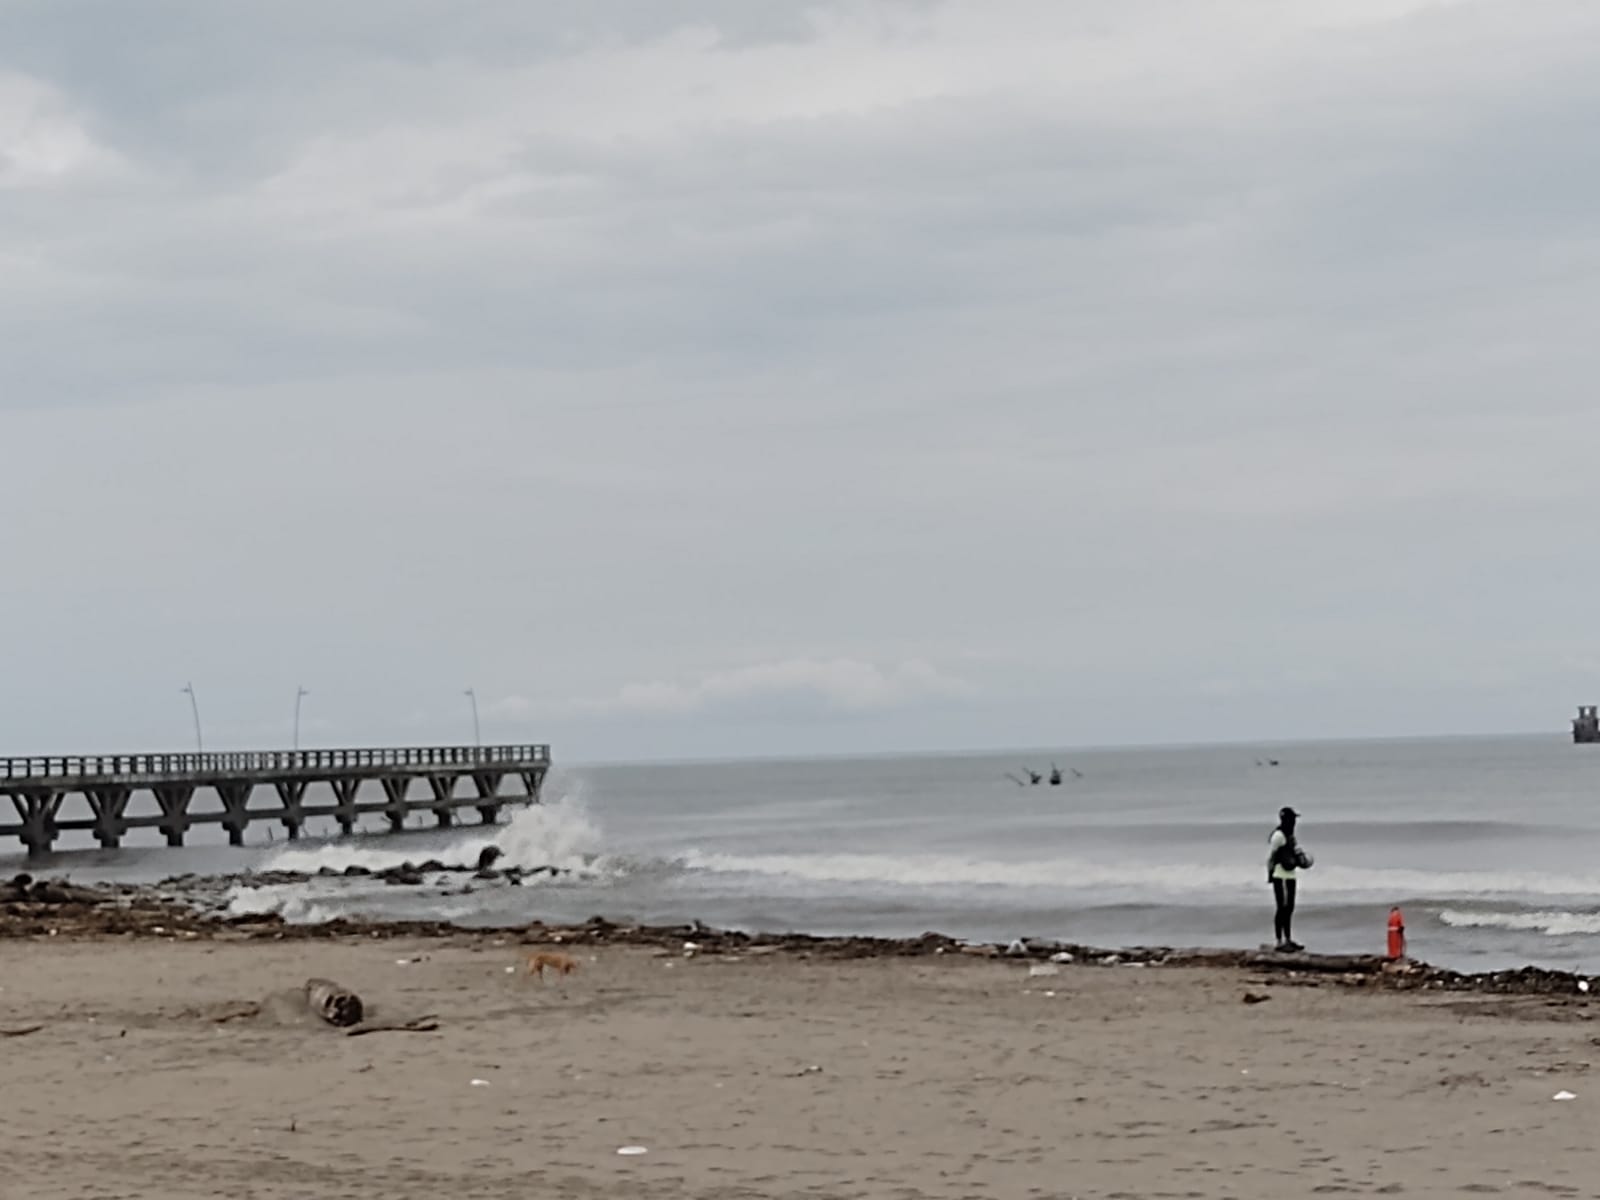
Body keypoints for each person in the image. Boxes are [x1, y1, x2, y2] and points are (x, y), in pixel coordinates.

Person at [1267, 806, 1304, 952]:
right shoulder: (1278, 836)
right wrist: (1270, 873)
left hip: (1290, 875)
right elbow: (1272, 857)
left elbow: (1293, 852)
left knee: (1289, 908)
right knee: (1281, 908)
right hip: (1279, 875)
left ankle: (1288, 939)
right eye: (1293, 819)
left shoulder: (1290, 836)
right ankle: (1279, 940)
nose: (1294, 822)